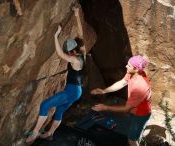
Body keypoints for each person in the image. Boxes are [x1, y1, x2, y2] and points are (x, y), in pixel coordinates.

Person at [26, 7, 86, 145]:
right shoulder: (82, 53)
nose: (68, 53)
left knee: (45, 105)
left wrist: (55, 36)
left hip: (71, 91)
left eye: (69, 51)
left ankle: (35, 133)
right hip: (77, 91)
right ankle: (49, 134)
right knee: (59, 111)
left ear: (73, 52)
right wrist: (77, 15)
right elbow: (81, 33)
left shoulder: (75, 59)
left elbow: (60, 54)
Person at [91, 55, 151, 146]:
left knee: (132, 140)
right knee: (132, 133)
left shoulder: (141, 86)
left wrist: (105, 107)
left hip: (141, 114)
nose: (126, 66)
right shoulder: (132, 73)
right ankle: (136, 135)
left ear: (137, 69)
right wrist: (104, 91)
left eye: (129, 66)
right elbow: (122, 82)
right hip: (134, 109)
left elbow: (125, 109)